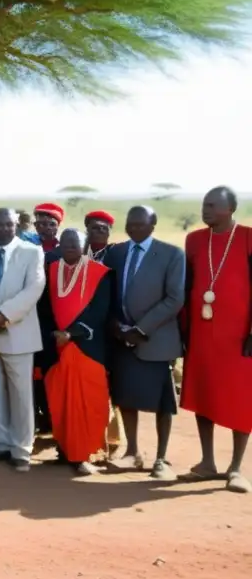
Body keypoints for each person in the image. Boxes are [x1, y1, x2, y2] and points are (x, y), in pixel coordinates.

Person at [102, 206, 184, 481]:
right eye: (129, 223)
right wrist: (115, 324)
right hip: (122, 338)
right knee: (126, 397)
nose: (133, 228)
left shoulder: (172, 254)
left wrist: (141, 329)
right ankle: (132, 452)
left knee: (163, 403)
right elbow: (107, 292)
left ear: (153, 225)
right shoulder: (117, 252)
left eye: (139, 224)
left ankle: (161, 458)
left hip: (155, 338)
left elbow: (174, 299)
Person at [180, 186, 252, 493]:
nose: (205, 210)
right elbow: (188, 286)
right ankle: (207, 463)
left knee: (241, 399)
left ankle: (236, 468)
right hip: (202, 333)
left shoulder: (249, 238)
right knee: (203, 393)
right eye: (203, 205)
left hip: (239, 335)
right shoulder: (195, 240)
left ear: (230, 209)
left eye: (211, 205)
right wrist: (184, 331)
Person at [0, 208, 46, 473]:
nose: (3, 229)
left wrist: (5, 314)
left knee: (21, 395)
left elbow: (34, 289)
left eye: (8, 224)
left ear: (17, 225)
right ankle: (2, 442)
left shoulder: (32, 252)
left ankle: (22, 449)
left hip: (18, 332)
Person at [40, 229, 113, 476]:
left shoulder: (99, 273)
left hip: (86, 347)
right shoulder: (49, 270)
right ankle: (65, 451)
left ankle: (83, 455)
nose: (70, 245)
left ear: (85, 245)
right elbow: (43, 308)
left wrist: (73, 333)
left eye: (76, 242)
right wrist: (54, 334)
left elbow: (100, 311)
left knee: (87, 402)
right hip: (56, 349)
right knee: (59, 402)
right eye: (66, 241)